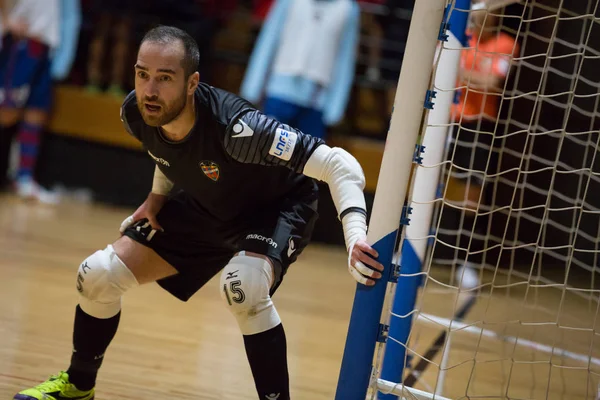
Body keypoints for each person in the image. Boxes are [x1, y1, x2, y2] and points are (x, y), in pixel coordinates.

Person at [13, 26, 383, 400]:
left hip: (273, 209)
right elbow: (171, 153)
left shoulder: (239, 130)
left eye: (165, 78)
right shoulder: (136, 113)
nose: (150, 90)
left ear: (192, 83)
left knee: (244, 288)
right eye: (142, 75)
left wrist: (355, 237)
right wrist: (156, 198)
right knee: (97, 275)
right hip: (208, 206)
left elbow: (341, 166)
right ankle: (78, 388)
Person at [0, 0, 81, 201]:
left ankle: (23, 179)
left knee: (36, 112)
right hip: (21, 40)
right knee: (6, 113)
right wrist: (7, 21)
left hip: (43, 43)